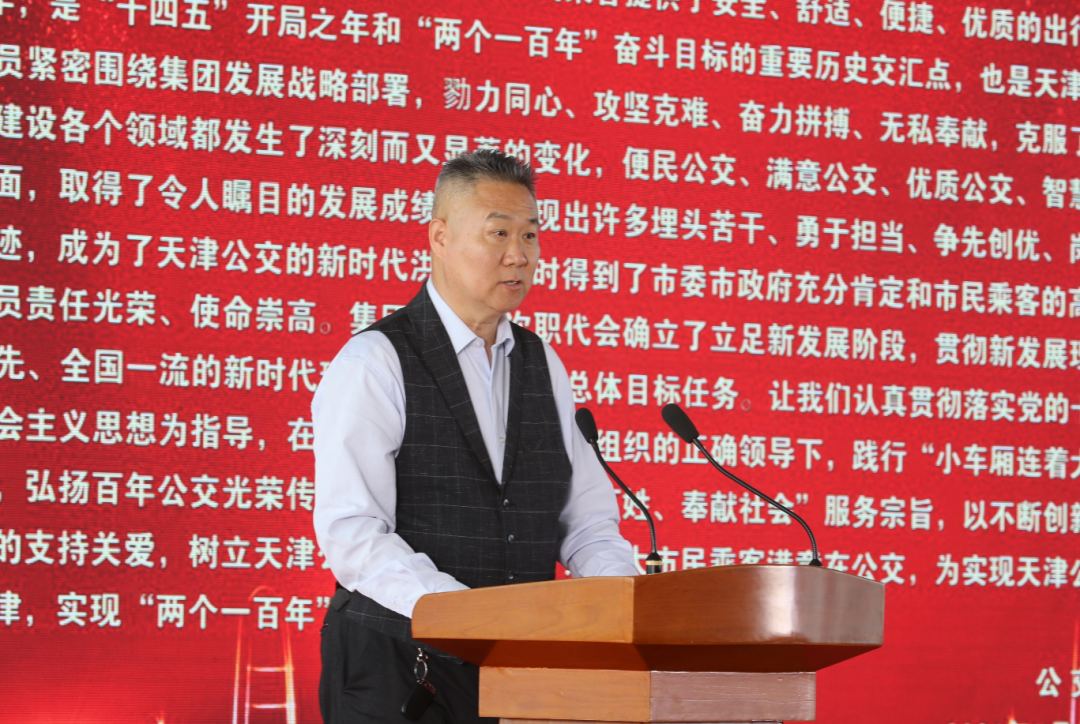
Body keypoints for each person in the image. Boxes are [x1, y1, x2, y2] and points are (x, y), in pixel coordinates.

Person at [313, 149, 639, 724]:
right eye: (498, 233)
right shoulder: (376, 360)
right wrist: (468, 618)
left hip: (514, 673)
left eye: (530, 235)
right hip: (397, 671)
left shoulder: (542, 364)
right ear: (439, 237)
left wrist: (627, 608)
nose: (519, 255)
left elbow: (587, 523)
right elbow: (353, 532)